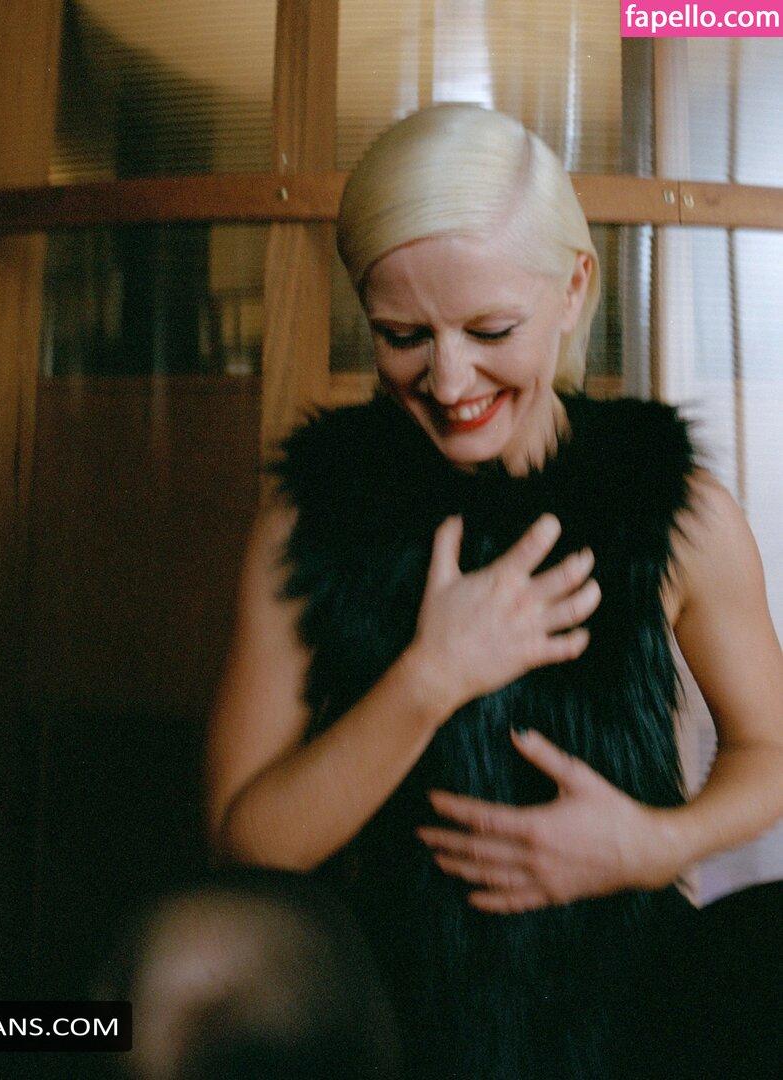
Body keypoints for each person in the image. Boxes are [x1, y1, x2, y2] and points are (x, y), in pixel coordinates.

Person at [200, 103, 783, 1079]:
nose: (447, 378)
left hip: (628, 992)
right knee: (179, 967)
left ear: (573, 288)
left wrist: (653, 843)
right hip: (381, 1002)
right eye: (401, 335)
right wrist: (431, 677)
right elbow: (245, 847)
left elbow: (770, 747)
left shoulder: (673, 506)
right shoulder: (312, 517)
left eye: (489, 329)